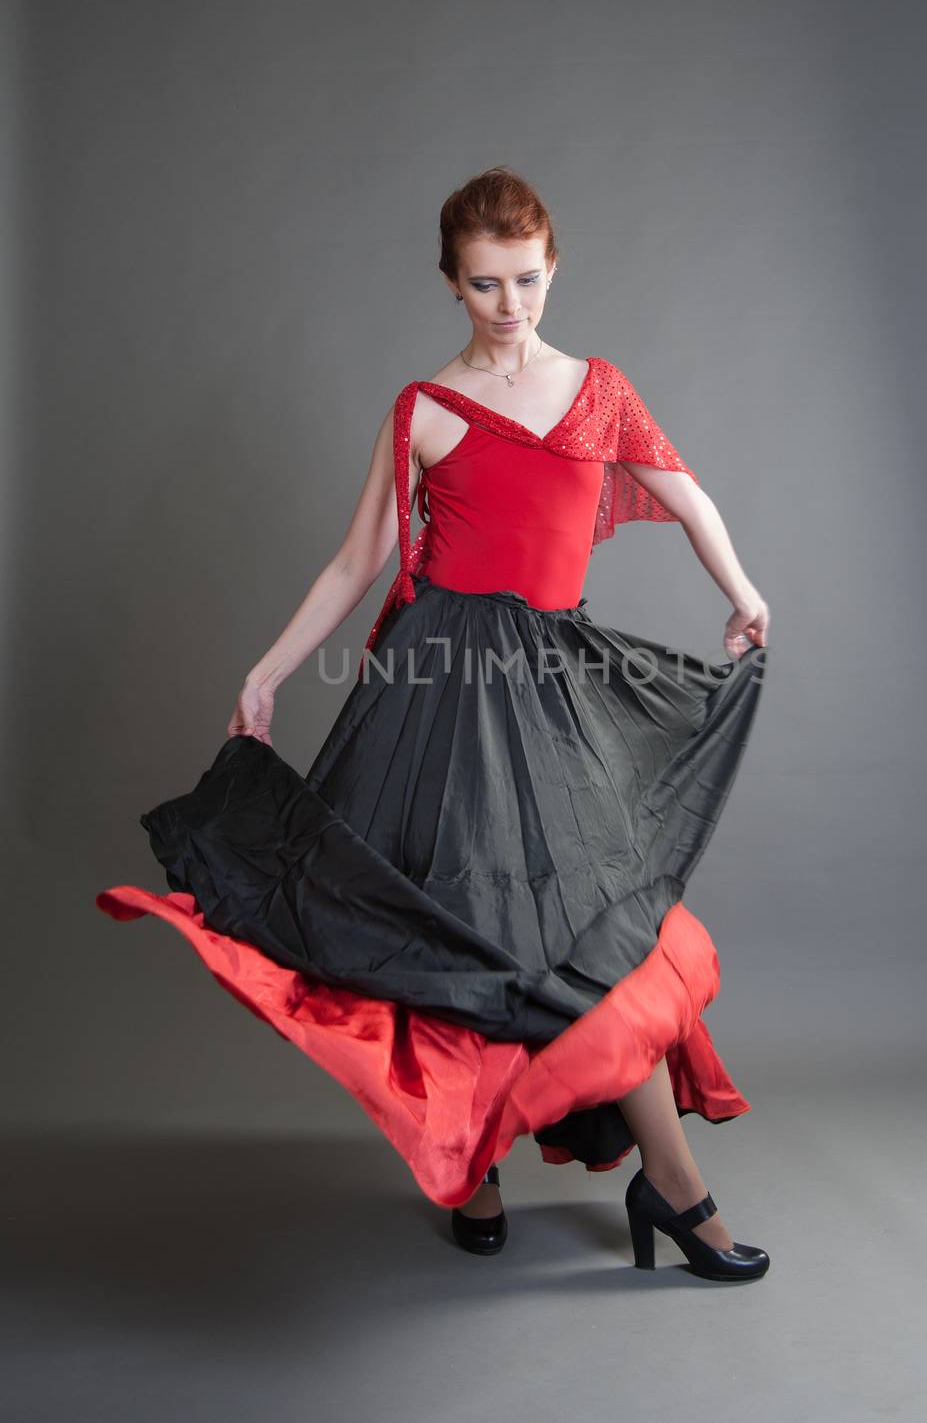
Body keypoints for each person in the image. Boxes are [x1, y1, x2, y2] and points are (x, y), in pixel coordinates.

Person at [97, 165, 773, 1283]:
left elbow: (686, 492)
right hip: (440, 700)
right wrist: (267, 672)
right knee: (456, 924)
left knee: (597, 928)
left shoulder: (598, 388)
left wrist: (741, 591)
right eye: (484, 286)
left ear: (553, 268)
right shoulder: (424, 410)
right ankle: (479, 1167)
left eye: (527, 281)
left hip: (549, 698)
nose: (510, 306)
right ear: (451, 285)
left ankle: (675, 1183)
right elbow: (361, 559)